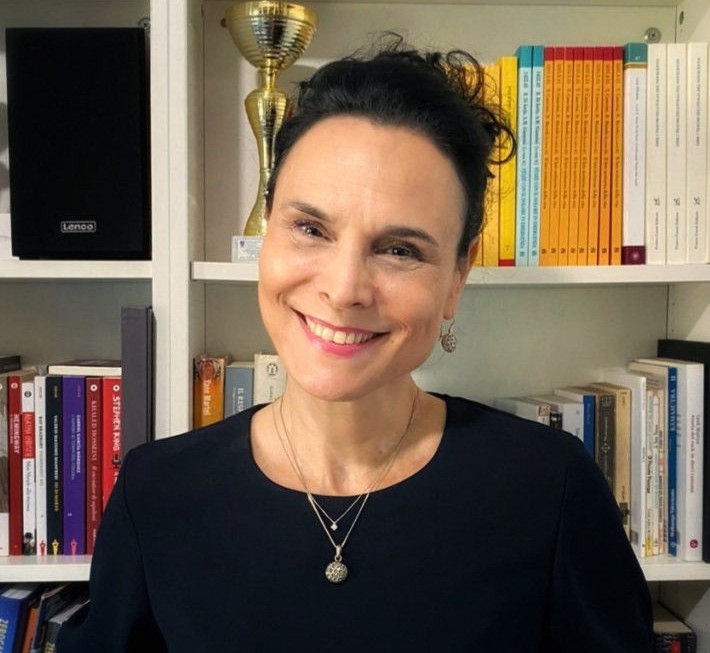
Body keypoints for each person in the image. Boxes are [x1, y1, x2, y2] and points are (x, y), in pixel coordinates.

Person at [57, 34, 653, 652]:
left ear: (457, 277)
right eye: (311, 229)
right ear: (267, 234)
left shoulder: (550, 489)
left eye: (399, 249)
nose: (344, 290)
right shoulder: (156, 493)